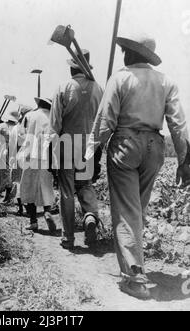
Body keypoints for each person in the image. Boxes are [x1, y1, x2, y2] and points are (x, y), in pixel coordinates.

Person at [86, 34, 190, 299]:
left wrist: (91, 154)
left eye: (125, 51)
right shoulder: (166, 81)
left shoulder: (120, 78)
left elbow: (105, 120)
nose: (123, 55)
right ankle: (136, 259)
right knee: (138, 208)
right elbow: (178, 125)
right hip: (155, 146)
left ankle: (135, 278)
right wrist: (184, 160)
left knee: (126, 211)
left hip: (125, 145)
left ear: (131, 54)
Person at [49, 49, 104, 250]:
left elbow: (54, 126)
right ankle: (90, 215)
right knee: (86, 185)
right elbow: (102, 124)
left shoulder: (63, 88)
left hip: (67, 144)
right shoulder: (99, 89)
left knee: (66, 192)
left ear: (72, 68)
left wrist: (51, 155)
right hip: (88, 146)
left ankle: (68, 237)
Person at [19, 98, 57, 233]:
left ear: (39, 104)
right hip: (47, 156)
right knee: (46, 186)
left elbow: (22, 135)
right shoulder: (53, 117)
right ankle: (47, 212)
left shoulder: (30, 115)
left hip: (30, 155)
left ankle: (33, 221)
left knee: (29, 188)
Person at [9, 105, 33, 215]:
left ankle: (21, 208)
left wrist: (12, 159)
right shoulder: (30, 127)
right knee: (26, 183)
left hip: (20, 157)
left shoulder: (16, 128)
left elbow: (12, 146)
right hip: (28, 158)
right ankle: (27, 208)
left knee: (19, 182)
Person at [0, 110, 19, 203]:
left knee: (4, 172)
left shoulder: (1, 126)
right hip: (15, 150)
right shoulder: (17, 127)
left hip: (4, 150)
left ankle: (7, 194)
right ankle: (10, 195)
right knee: (11, 173)